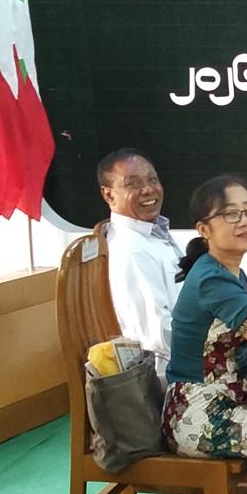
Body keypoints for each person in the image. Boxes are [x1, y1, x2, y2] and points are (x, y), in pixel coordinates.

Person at [161, 174, 247, 494]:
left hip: (231, 398)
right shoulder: (211, 280)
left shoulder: (230, 272)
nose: (245, 221)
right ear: (204, 229)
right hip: (198, 412)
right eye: (231, 214)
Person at [99, 148, 182, 379]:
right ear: (109, 195)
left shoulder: (152, 234)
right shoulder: (129, 249)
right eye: (133, 184)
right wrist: (220, 340)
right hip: (173, 376)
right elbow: (157, 335)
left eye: (152, 180)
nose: (147, 189)